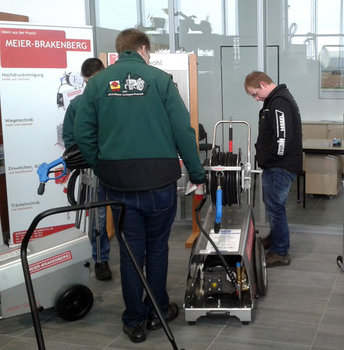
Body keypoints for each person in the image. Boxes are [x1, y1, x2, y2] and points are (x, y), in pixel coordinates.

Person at [74, 28, 205, 343]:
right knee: (157, 248)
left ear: (120, 52)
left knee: (130, 252)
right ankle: (157, 311)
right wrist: (197, 174)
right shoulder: (160, 81)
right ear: (144, 49)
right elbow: (183, 132)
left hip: (117, 185)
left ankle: (134, 320)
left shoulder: (98, 84)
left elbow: (82, 133)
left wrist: (101, 165)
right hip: (159, 181)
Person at [244, 71, 303, 267]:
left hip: (280, 166)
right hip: (277, 165)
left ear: (262, 83)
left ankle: (280, 251)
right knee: (272, 204)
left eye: (255, 93)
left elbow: (282, 139)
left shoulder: (279, 103)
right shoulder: (276, 101)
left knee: (276, 207)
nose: (256, 98)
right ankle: (275, 238)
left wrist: (270, 160)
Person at [62, 58, 112, 281]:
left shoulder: (114, 101)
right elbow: (70, 138)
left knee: (126, 216)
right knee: (97, 217)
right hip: (92, 169)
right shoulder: (77, 104)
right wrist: (84, 157)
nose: (90, 85)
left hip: (118, 167)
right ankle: (100, 259)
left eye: (93, 80)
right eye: (87, 82)